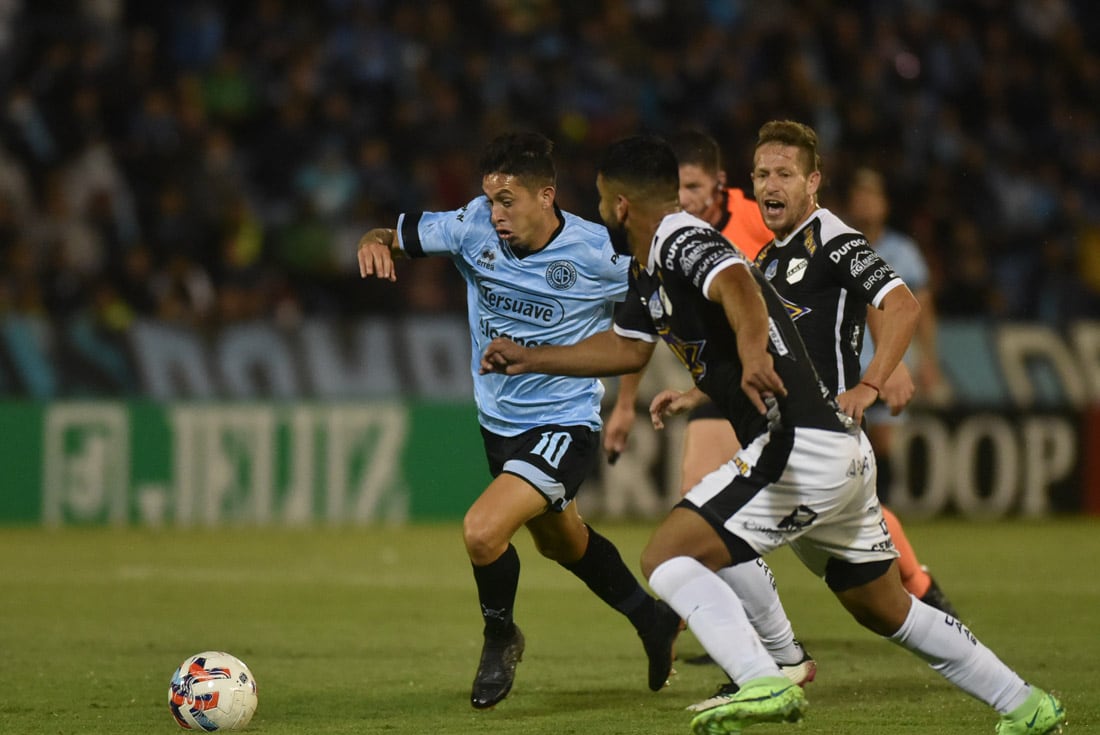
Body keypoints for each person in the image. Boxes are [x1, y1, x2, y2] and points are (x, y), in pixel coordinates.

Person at [480, 133, 1065, 735]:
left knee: (666, 555)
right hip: (835, 450)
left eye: (603, 200)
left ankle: (765, 677)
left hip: (796, 444)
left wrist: (759, 353)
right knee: (886, 609)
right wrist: (533, 356)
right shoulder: (649, 267)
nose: (599, 211)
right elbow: (628, 349)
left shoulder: (685, 238)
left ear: (620, 204)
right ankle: (1027, 705)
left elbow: (736, 283)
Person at [357, 132, 680, 710]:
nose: (495, 213)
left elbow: (647, 324)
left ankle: (500, 635)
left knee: (483, 531)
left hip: (566, 422)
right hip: (499, 422)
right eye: (490, 199)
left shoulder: (598, 252)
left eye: (507, 200)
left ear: (546, 195)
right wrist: (372, 240)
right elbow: (394, 234)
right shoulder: (469, 226)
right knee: (563, 542)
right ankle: (651, 620)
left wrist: (640, 394)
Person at [605, 129, 817, 686]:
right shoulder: (655, 251)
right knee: (707, 513)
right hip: (724, 387)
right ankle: (777, 657)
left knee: (709, 522)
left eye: (694, 186)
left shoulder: (744, 226)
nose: (688, 196)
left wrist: (860, 373)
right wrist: (630, 403)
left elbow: (771, 294)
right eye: (680, 187)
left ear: (718, 186)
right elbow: (636, 338)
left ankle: (761, 658)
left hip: (771, 384)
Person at [845, 166, 955, 612]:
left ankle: (881, 519)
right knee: (857, 444)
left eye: (873, 195)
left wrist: (926, 360)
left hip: (889, 363)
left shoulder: (901, 250)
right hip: (848, 365)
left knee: (883, 442)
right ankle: (878, 525)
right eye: (860, 195)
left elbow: (920, 308)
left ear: (884, 204)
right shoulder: (840, 243)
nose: (866, 203)